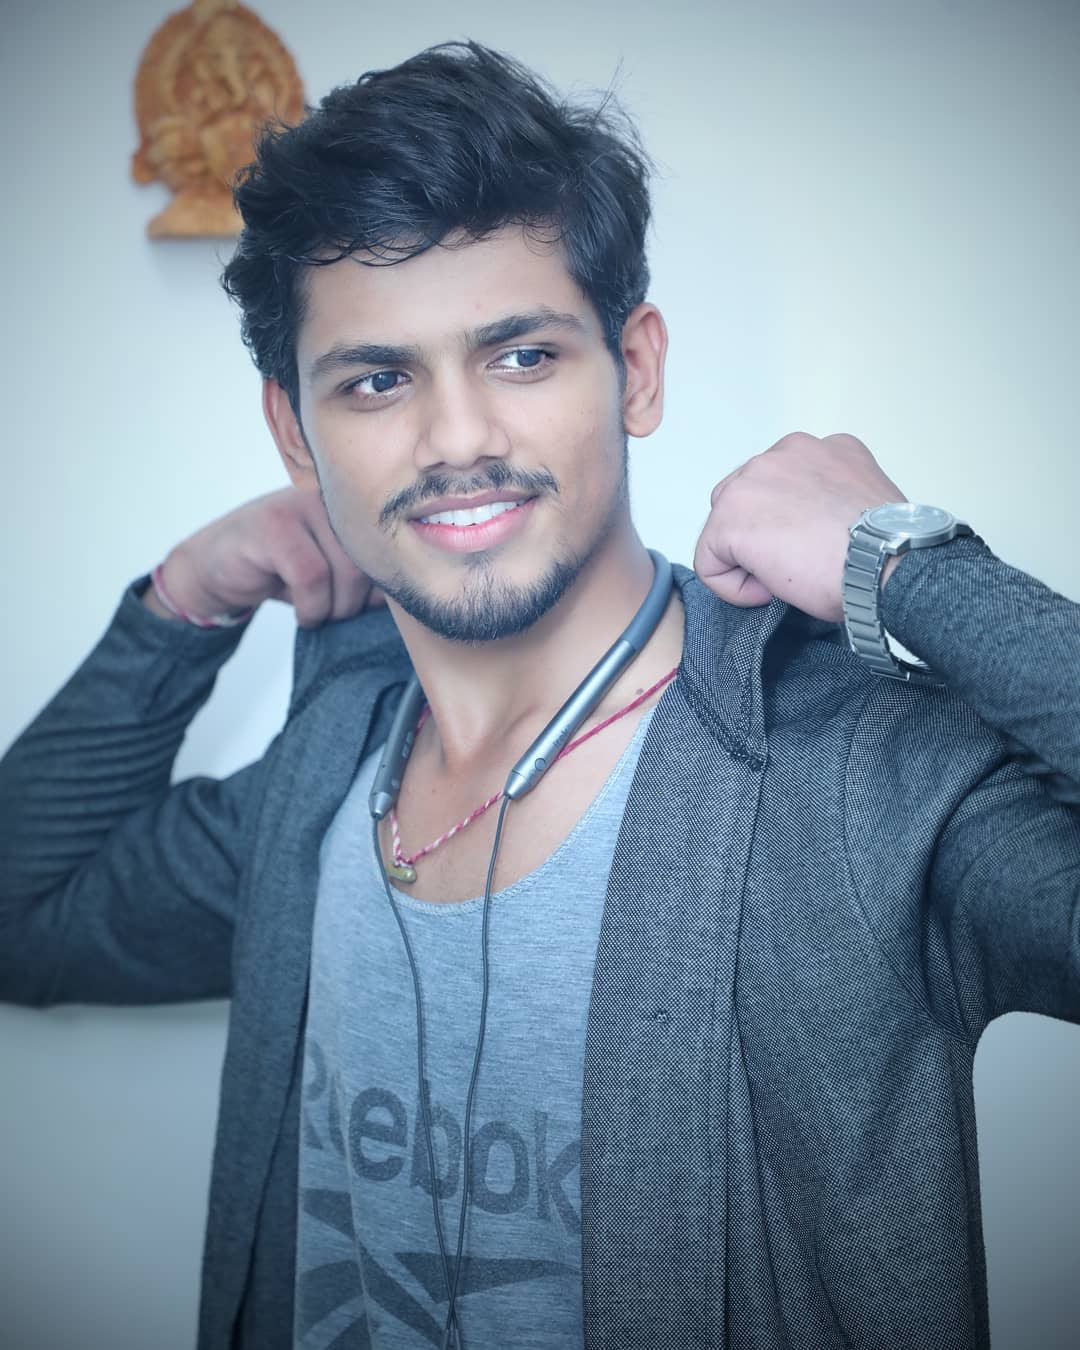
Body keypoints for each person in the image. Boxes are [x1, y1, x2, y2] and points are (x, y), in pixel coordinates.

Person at [1, 39, 1077, 1350]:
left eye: (520, 355)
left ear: (637, 370)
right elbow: (21, 914)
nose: (457, 439)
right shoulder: (325, 777)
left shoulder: (845, 777)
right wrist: (180, 605)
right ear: (294, 431)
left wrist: (911, 567)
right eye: (378, 380)